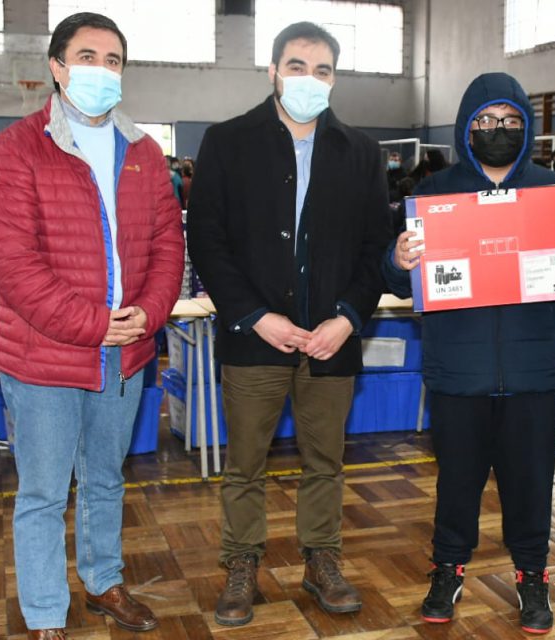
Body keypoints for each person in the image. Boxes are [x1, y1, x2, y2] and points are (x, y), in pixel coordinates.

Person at [0, 12, 185, 639]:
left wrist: (147, 315)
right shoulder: (16, 149)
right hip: (46, 355)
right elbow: (12, 265)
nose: (101, 70)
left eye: (114, 59)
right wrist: (98, 324)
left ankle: (103, 581)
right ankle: (44, 613)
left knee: (105, 479)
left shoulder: (144, 154)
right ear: (57, 68)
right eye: (88, 56)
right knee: (43, 492)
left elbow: (168, 248)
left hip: (122, 356)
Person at [385, 72, 555, 635]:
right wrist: (398, 260)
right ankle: (447, 569)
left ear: (526, 126)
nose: (497, 131)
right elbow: (392, 277)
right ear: (466, 128)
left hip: (533, 371)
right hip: (459, 370)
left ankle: (532, 576)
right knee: (456, 481)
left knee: (531, 481)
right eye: (485, 122)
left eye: (509, 121)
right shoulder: (434, 196)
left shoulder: (554, 193)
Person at [186, 21, 391, 628]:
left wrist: (348, 319)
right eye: (297, 66)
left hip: (332, 341)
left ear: (335, 78)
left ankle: (322, 559)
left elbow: (374, 247)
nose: (309, 79)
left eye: (323, 70)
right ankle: (242, 563)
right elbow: (207, 239)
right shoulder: (227, 142)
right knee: (245, 462)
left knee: (325, 461)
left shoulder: (360, 151)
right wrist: (253, 315)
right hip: (254, 338)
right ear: (273, 70)